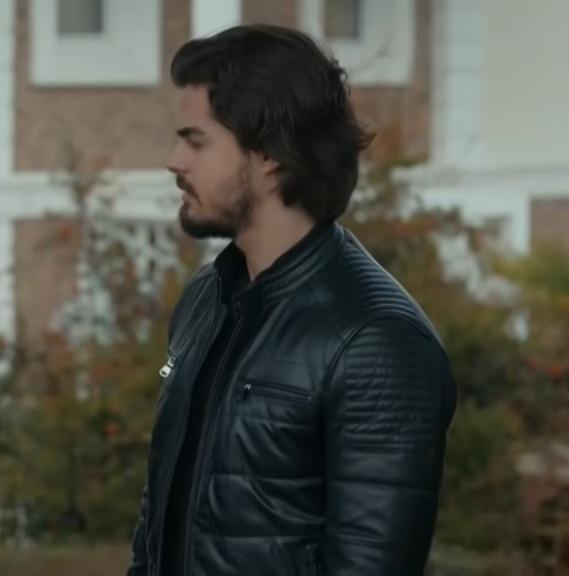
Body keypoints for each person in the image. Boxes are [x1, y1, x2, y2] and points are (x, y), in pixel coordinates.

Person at [127, 25, 457, 575]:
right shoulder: (206, 299)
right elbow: (158, 516)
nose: (174, 160)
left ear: (270, 156)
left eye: (196, 141)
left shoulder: (375, 341)